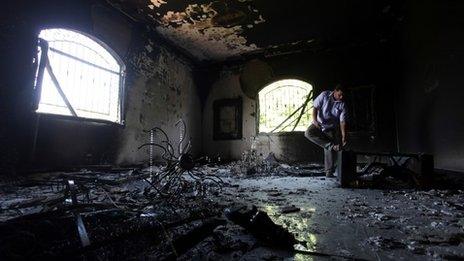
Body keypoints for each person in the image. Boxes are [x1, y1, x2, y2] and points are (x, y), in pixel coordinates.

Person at [304, 84, 347, 177]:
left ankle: (329, 171)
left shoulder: (342, 104)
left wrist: (344, 136)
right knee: (308, 133)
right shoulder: (324, 95)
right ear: (335, 91)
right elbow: (315, 107)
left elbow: (342, 122)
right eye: (340, 94)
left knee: (330, 147)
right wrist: (315, 121)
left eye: (343, 95)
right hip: (319, 124)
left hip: (331, 127)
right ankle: (331, 146)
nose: (341, 97)